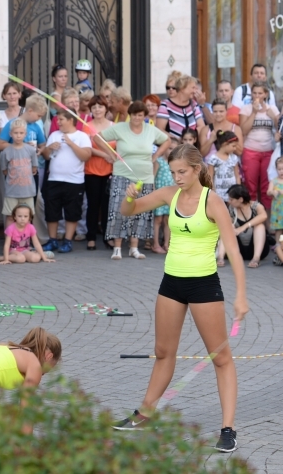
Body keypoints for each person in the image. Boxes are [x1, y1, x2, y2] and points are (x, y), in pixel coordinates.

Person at [111, 144, 248, 455]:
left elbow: (235, 251)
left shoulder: (213, 202)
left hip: (204, 286)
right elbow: (128, 211)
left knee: (220, 357)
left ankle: (228, 429)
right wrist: (130, 196)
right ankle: (144, 412)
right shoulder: (169, 194)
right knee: (162, 351)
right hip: (171, 282)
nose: (177, 177)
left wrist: (241, 295)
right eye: (173, 172)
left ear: (197, 169)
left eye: (182, 171)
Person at [95, 101, 170, 260]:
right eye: (134, 115)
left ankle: (134, 247)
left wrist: (156, 156)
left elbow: (167, 140)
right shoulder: (120, 128)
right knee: (118, 209)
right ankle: (117, 247)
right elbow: (97, 137)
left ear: (144, 116)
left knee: (140, 211)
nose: (137, 118)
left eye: (140, 115)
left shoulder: (150, 130)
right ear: (130, 115)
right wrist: (110, 153)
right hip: (122, 174)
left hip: (145, 177)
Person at [40, 111, 92, 253]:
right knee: (51, 211)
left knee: (72, 212)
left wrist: (71, 144)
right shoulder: (54, 135)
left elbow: (86, 156)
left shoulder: (82, 136)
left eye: (61, 119)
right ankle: (52, 241)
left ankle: (68, 241)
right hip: (54, 179)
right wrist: (49, 148)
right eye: (58, 120)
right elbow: (46, 156)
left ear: (71, 120)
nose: (58, 122)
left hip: (74, 181)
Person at [239, 82, 280, 211]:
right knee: (250, 187)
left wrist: (274, 117)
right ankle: (251, 216)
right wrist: (253, 113)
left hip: (268, 151)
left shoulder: (272, 109)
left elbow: (280, 129)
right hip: (250, 151)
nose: (257, 95)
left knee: (266, 186)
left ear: (266, 94)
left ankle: (268, 222)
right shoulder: (246, 109)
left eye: (260, 93)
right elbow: (243, 130)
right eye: (254, 93)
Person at [0, 94, 48, 194]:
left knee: (31, 200)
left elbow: (43, 145)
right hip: (14, 171)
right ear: (30, 111)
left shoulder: (36, 126)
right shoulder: (12, 124)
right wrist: (19, 146)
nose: (39, 119)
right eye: (39, 116)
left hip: (31, 170)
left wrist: (40, 150)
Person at [83, 95, 114, 250]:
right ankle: (91, 237)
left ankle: (108, 237)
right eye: (94, 107)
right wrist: (105, 155)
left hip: (110, 171)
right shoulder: (86, 126)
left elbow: (118, 147)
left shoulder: (113, 126)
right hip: (92, 171)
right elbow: (87, 147)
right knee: (93, 205)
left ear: (105, 108)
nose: (97, 109)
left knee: (108, 206)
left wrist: (113, 158)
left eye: (100, 106)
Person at [217, 184, 269, 268]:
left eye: (231, 199)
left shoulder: (256, 206)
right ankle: (220, 257)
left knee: (260, 226)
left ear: (240, 199)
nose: (229, 201)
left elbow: (264, 216)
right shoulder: (231, 209)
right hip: (238, 250)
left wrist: (243, 227)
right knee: (227, 227)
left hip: (255, 248)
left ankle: (256, 259)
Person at [0, 119, 38, 223]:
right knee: (10, 216)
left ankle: (25, 239)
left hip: (27, 191)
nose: (18, 136)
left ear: (25, 134)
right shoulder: (6, 152)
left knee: (27, 217)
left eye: (21, 133)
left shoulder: (31, 150)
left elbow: (34, 169)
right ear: (10, 134)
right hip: (12, 191)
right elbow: (5, 170)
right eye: (15, 133)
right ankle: (10, 238)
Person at [156, 75, 205, 140]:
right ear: (182, 89)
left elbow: (201, 126)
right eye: (193, 88)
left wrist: (190, 139)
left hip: (191, 147)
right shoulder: (166, 105)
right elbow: (160, 129)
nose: (195, 91)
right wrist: (177, 141)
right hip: (173, 148)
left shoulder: (194, 104)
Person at [152, 137, 178, 254]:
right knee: (158, 219)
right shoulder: (159, 161)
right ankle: (156, 243)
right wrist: (153, 191)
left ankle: (167, 244)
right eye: (169, 148)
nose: (171, 151)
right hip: (160, 193)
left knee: (168, 219)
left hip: (171, 194)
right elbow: (153, 176)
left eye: (174, 149)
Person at [207, 131, 241, 202]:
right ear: (225, 144)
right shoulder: (213, 159)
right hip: (219, 194)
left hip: (232, 194)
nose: (235, 149)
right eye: (233, 146)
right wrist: (213, 191)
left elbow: (237, 176)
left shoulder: (234, 158)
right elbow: (210, 176)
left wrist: (238, 190)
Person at [268, 158, 283, 248]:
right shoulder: (274, 181)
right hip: (278, 210)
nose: (281, 171)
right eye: (279, 169)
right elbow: (268, 192)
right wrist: (272, 192)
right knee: (279, 228)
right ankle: (278, 244)